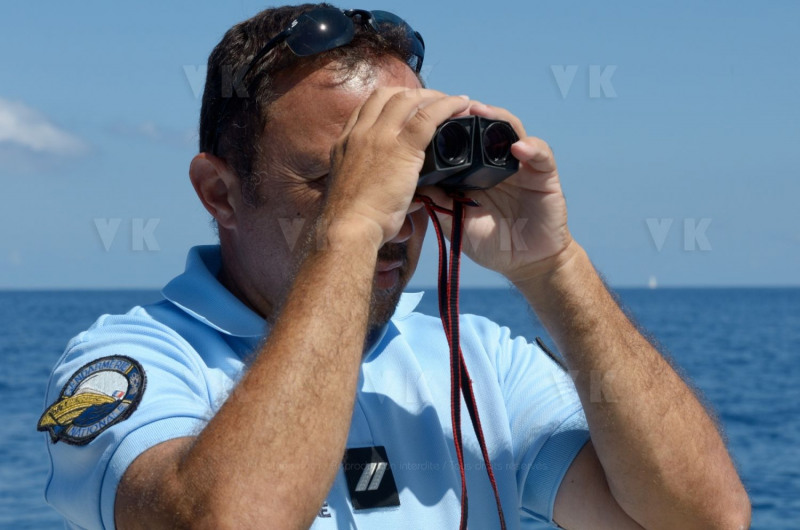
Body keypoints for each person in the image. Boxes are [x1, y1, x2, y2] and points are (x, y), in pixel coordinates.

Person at [39, 4, 750, 529]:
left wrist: (553, 268)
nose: (394, 215)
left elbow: (700, 518)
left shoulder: (481, 362)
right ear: (219, 193)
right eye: (341, 177)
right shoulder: (131, 363)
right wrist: (349, 230)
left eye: (410, 176)